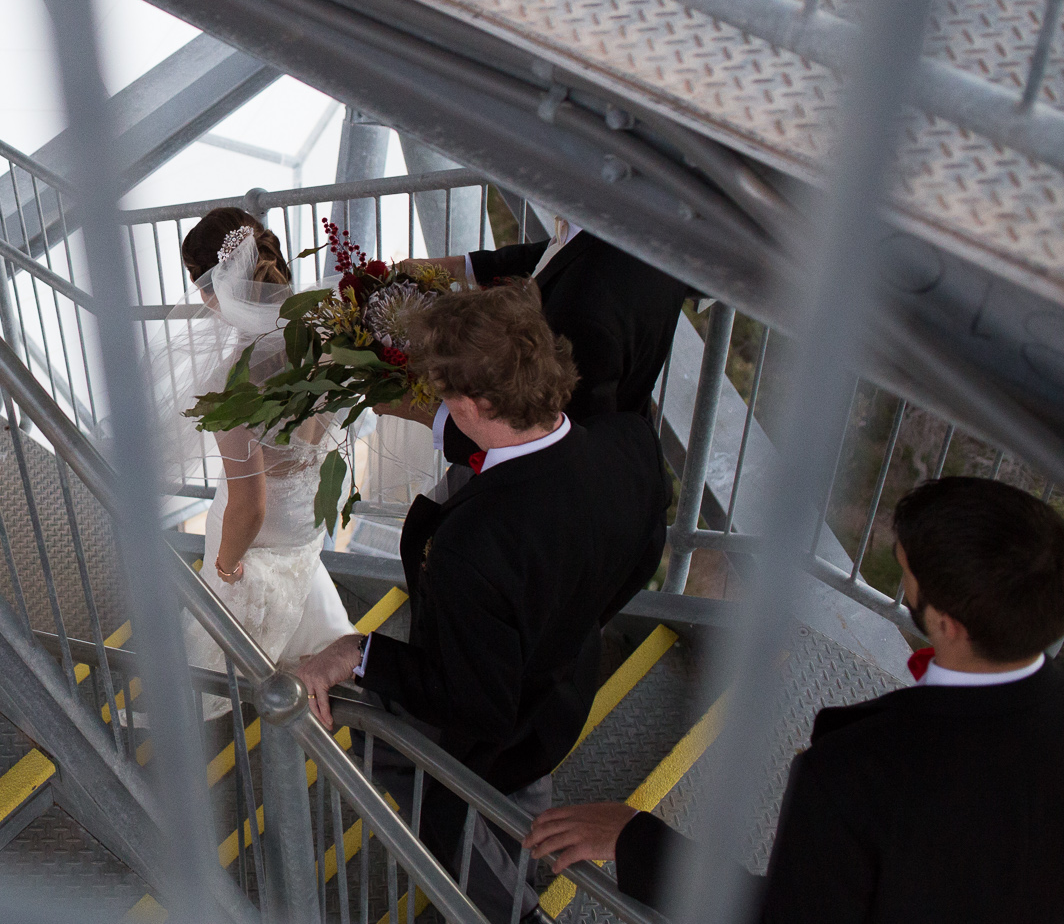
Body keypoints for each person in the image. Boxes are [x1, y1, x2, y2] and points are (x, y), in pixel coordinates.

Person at [523, 475, 1064, 923]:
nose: (904, 587)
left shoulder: (855, 772)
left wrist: (634, 839)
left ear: (946, 624)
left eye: (905, 576)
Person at [294, 284, 670, 920]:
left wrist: (358, 651)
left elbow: (476, 708)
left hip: (500, 728)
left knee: (452, 804)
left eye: (442, 396)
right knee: (508, 788)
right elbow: (642, 557)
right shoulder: (629, 442)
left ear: (469, 404)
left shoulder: (475, 546)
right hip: (567, 682)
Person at [163, 208, 357, 704]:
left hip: (263, 528)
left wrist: (226, 573)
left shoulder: (233, 381)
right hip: (307, 516)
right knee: (299, 578)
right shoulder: (323, 330)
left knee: (228, 613)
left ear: (213, 289)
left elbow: (250, 505)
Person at [426, 218, 690, 465]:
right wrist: (460, 267)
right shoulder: (645, 229)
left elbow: (550, 440)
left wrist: (420, 410)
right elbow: (561, 252)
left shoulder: (584, 316)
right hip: (630, 435)